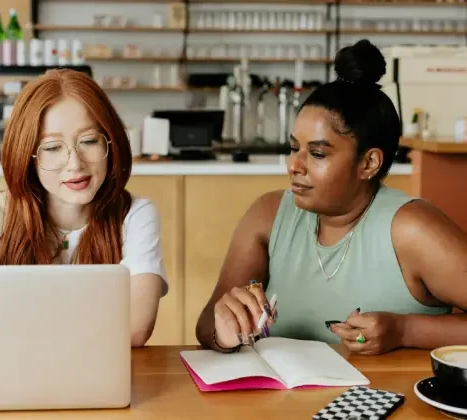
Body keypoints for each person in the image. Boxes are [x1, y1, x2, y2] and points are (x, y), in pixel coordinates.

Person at [195, 39, 467, 355]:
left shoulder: (412, 229)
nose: (294, 165)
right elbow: (205, 327)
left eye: (318, 153)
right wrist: (226, 332)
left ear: (368, 163)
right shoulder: (268, 216)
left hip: (384, 402)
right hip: (282, 404)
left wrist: (404, 330)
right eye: (294, 148)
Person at [0, 69, 167, 347]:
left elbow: (135, 328)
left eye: (88, 141)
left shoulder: (135, 215)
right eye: (52, 148)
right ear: (28, 157)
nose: (75, 163)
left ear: (110, 142)